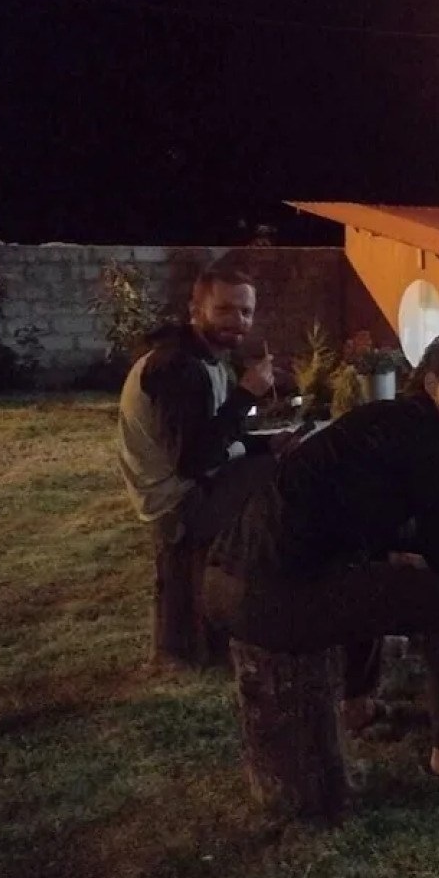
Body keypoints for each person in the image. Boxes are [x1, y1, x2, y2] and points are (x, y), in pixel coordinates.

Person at [203, 334, 439, 779]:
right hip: (273, 603)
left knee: (372, 571)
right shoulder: (434, 439)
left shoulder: (377, 419)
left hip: (222, 584)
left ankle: (358, 707)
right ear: (432, 383)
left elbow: (372, 519)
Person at [118, 264, 293, 665]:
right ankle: (269, 608)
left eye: (246, 312)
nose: (238, 321)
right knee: (284, 482)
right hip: (177, 502)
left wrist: (267, 444)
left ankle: (249, 604)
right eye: (225, 310)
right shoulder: (179, 367)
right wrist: (247, 394)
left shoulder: (208, 358)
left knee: (281, 461)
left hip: (191, 485)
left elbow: (215, 436)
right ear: (195, 310)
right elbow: (193, 462)